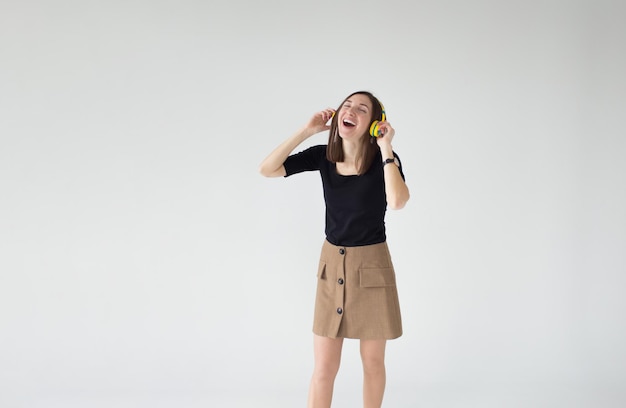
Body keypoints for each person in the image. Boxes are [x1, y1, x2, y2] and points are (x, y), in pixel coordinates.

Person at [258, 91, 410, 408]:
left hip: (372, 268)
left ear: (374, 123)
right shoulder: (324, 156)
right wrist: (307, 130)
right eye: (347, 105)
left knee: (373, 363)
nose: (350, 110)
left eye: (361, 108)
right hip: (332, 266)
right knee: (324, 368)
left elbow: (397, 202)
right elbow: (268, 169)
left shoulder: (385, 161)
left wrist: (386, 148)